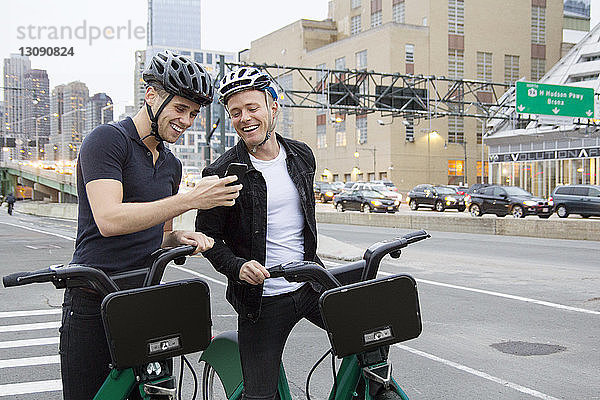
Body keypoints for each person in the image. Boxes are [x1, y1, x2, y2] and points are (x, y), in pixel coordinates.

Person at [60, 50, 242, 400]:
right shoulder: (107, 141)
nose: (187, 120)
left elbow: (157, 236)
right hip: (93, 299)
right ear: (151, 95)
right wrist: (189, 199)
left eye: (193, 113)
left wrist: (177, 237)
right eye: (180, 109)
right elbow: (110, 220)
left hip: (142, 301)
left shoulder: (171, 165)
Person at [196, 67, 323, 400]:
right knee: (261, 395)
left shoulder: (301, 156)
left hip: (310, 282)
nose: (245, 118)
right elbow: (208, 239)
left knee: (368, 336)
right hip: (261, 300)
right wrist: (237, 266)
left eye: (253, 108)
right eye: (235, 112)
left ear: (273, 108)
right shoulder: (222, 172)